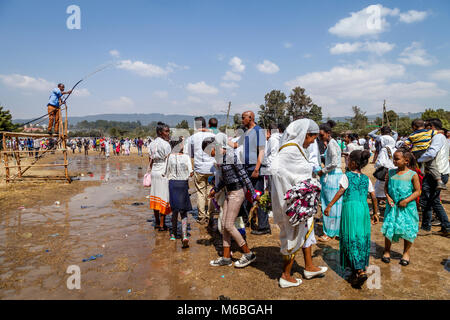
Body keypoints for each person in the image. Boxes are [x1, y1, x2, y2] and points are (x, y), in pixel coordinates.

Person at [270, 119, 328, 288]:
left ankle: (309, 267)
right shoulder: (290, 151)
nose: (312, 143)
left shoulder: (296, 149)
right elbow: (277, 170)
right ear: (305, 134)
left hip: (302, 201)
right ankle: (285, 275)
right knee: (292, 235)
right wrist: (297, 189)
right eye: (312, 138)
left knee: (306, 233)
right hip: (293, 203)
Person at [324, 150, 378, 287]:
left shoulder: (346, 176)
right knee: (361, 236)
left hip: (351, 209)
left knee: (350, 236)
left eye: (348, 160)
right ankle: (359, 267)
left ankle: (359, 270)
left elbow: (341, 191)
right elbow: (373, 196)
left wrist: (329, 205)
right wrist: (375, 213)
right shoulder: (366, 179)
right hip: (363, 209)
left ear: (353, 163)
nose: (347, 162)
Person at [207, 136, 259, 268]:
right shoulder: (221, 159)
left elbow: (243, 175)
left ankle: (248, 254)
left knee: (229, 225)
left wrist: (253, 194)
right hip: (228, 192)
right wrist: (215, 189)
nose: (209, 155)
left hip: (237, 192)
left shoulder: (231, 156)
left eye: (209, 152)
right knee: (224, 225)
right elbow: (225, 180)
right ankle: (225, 257)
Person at [228, 111, 269, 235]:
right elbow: (235, 145)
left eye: (243, 118)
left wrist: (257, 169)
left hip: (255, 169)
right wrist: (222, 139)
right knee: (246, 196)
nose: (242, 120)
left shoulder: (258, 131)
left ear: (250, 118)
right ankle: (246, 220)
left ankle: (264, 226)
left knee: (259, 196)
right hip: (247, 168)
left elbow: (261, 151)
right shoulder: (246, 132)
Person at [381, 149, 421, 266]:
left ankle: (406, 253)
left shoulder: (413, 175)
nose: (394, 161)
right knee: (390, 227)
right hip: (392, 206)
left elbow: (418, 191)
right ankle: (387, 250)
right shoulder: (390, 172)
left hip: (407, 207)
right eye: (393, 158)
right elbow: (386, 188)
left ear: (406, 161)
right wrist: (388, 197)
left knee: (408, 229)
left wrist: (407, 200)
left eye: (397, 159)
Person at [418, 118, 450, 237]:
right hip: (441, 173)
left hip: (436, 173)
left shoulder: (437, 137)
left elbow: (431, 153)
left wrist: (418, 159)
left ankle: (428, 227)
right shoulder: (443, 138)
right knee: (433, 201)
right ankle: (445, 226)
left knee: (427, 201)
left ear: (431, 126)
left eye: (426, 126)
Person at [184, 117, 216, 225]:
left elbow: (190, 154)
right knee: (211, 192)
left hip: (199, 168)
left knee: (200, 193)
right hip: (212, 168)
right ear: (205, 124)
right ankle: (210, 216)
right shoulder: (213, 136)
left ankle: (202, 217)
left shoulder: (192, 138)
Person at [317, 120, 343, 242]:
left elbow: (333, 163)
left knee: (329, 204)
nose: (320, 137)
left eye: (321, 135)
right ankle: (336, 230)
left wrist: (323, 171)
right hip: (335, 175)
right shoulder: (334, 143)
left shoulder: (332, 144)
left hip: (332, 176)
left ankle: (328, 232)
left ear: (328, 133)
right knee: (336, 205)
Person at [165, 138, 193, 248]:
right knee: (184, 211)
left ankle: (173, 234)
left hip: (173, 184)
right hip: (183, 184)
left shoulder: (170, 157)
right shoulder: (186, 157)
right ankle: (184, 235)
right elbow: (191, 172)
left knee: (174, 210)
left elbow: (166, 173)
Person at [403, 119, 445, 190]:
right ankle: (439, 181)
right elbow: (439, 132)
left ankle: (420, 178)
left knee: (418, 166)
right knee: (432, 165)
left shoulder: (412, 135)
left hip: (416, 152)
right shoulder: (429, 132)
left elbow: (406, 143)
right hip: (425, 151)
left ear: (414, 127)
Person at [148, 122, 172, 231]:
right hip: (163, 170)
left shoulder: (151, 144)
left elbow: (150, 159)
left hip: (154, 171)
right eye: (166, 131)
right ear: (160, 132)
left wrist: (151, 170)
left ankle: (157, 222)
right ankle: (162, 224)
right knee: (163, 198)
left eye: (168, 131)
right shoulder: (166, 145)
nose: (168, 133)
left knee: (155, 196)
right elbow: (169, 160)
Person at [374, 135, 397, 209]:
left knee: (379, 188)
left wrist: (376, 166)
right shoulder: (395, 149)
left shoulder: (384, 149)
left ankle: (377, 207)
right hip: (394, 171)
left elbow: (381, 162)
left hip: (386, 171)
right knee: (391, 188)